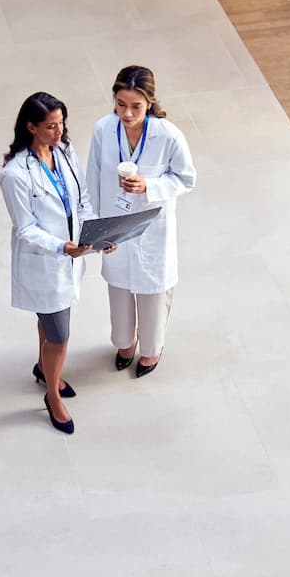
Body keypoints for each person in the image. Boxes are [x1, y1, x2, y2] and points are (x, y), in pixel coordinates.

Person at [0, 92, 101, 434]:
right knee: (59, 336)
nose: (60, 132)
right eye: (51, 126)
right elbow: (26, 228)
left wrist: (97, 233)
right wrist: (61, 247)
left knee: (49, 319)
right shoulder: (15, 174)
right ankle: (52, 396)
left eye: (61, 124)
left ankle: (44, 370)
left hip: (70, 256)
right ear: (31, 127)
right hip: (46, 262)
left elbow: (82, 199)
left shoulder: (65, 150)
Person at [86, 65, 197, 378]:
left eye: (136, 106)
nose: (127, 113)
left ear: (150, 102)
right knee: (119, 291)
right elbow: (92, 178)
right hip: (115, 227)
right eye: (121, 104)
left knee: (153, 293)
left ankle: (151, 349)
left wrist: (150, 185)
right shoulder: (103, 129)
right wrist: (96, 227)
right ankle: (125, 343)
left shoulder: (169, 135)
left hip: (153, 230)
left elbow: (186, 178)